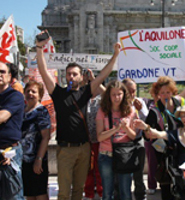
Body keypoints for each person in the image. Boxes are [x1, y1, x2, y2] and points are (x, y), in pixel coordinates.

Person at [35, 31, 120, 200]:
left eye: (75, 74)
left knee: (78, 190)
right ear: (65, 76)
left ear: (82, 77)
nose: (71, 77)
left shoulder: (85, 92)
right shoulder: (57, 93)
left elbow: (104, 74)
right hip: (65, 150)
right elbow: (43, 71)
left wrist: (116, 54)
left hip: (84, 148)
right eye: (68, 74)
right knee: (64, 192)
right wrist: (39, 48)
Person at [145, 76, 185, 200]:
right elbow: (147, 134)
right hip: (163, 153)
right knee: (166, 183)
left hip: (181, 149)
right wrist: (148, 132)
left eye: (168, 92)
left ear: (173, 91)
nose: (165, 95)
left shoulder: (181, 103)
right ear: (157, 94)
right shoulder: (154, 111)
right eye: (162, 93)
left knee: (182, 182)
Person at [96, 80, 138, 200]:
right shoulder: (102, 111)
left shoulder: (130, 110)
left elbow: (133, 136)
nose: (116, 97)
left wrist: (125, 128)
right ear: (108, 95)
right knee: (107, 193)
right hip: (106, 154)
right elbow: (99, 137)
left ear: (124, 94)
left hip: (125, 154)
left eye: (119, 94)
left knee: (126, 192)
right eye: (113, 94)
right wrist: (116, 129)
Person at [21, 80, 51, 200]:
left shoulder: (41, 111)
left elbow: (46, 137)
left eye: (34, 91)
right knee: (29, 193)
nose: (30, 94)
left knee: (40, 193)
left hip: (38, 160)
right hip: (23, 160)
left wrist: (38, 159)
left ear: (40, 95)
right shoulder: (23, 111)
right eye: (28, 91)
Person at [0, 62, 25, 199]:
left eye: (2, 72)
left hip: (8, 152)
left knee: (12, 195)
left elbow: (2, 117)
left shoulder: (15, 96)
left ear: (9, 77)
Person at [122, 78, 148, 200]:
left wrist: (141, 109)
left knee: (139, 171)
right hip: (123, 142)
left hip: (137, 140)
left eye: (134, 91)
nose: (132, 94)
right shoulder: (118, 102)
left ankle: (140, 194)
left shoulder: (140, 102)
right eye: (129, 91)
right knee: (123, 173)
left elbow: (147, 121)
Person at [82, 69, 103, 200]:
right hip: (86, 140)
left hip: (100, 139)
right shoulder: (83, 98)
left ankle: (101, 192)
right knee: (87, 168)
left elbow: (107, 93)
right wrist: (84, 82)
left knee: (99, 168)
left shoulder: (102, 99)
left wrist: (95, 79)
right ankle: (88, 193)